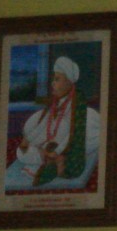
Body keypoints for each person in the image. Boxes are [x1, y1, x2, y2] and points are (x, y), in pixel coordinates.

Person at [14, 56, 101, 188]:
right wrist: (30, 140)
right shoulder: (55, 105)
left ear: (68, 82)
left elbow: (72, 134)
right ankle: (50, 157)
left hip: (68, 143)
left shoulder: (79, 107)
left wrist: (58, 151)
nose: (52, 83)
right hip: (52, 143)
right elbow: (44, 126)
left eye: (57, 79)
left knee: (89, 128)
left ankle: (56, 159)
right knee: (21, 153)